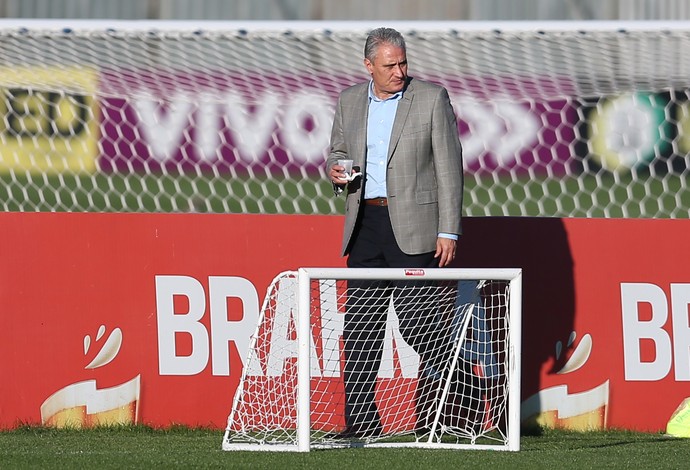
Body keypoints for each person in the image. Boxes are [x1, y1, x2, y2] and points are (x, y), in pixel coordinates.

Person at [326, 27, 464, 438]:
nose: (400, 71)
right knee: (360, 329)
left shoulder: (432, 98)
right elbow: (337, 152)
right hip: (365, 224)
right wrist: (335, 171)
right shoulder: (349, 100)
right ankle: (361, 424)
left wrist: (449, 231)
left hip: (416, 227)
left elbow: (449, 169)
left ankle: (435, 418)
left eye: (403, 62)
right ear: (369, 66)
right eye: (390, 65)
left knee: (418, 325)